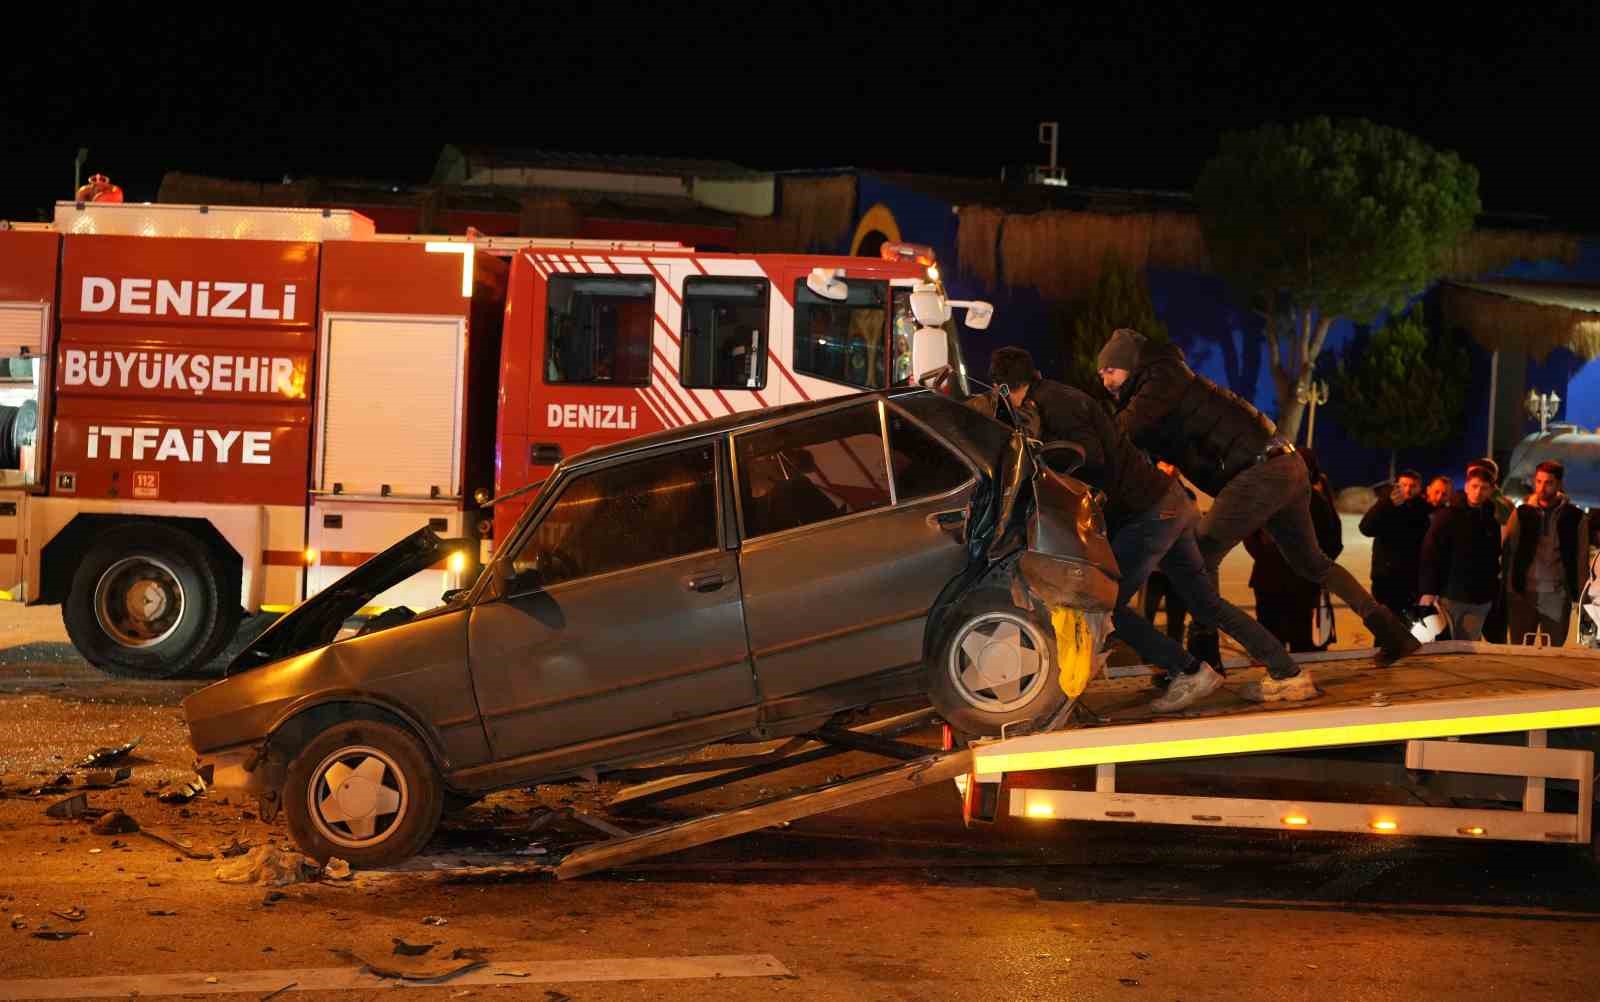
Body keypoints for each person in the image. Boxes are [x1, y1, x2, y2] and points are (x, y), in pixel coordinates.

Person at [1097, 328, 1420, 690]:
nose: (1105, 380)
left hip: (1259, 470)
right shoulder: (1158, 383)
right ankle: (1391, 631)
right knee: (1312, 563)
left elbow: (1119, 433)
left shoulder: (1161, 379)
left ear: (1129, 364)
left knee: (1198, 554)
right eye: (1101, 374)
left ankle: (1205, 657)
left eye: (1110, 370)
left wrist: (1084, 433)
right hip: (1283, 464)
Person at [988, 347, 1309, 707]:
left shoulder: (1055, 405)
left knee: (1105, 605)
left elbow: (1089, 458)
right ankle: (1288, 674)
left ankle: (1188, 671)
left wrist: (1045, 457)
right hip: (1166, 503)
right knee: (1206, 604)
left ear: (1006, 387)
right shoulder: (1056, 398)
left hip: (1149, 513)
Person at [1243, 448, 1342, 652]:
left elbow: (1249, 534)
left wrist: (1265, 556)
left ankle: (1280, 677)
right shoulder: (1315, 502)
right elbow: (1333, 544)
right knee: (1300, 644)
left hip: (1277, 580)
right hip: (1292, 581)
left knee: (1275, 642)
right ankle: (1294, 679)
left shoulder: (1273, 496)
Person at [1506, 461, 1590, 646]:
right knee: (1520, 650)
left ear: (1559, 484)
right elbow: (1509, 551)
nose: (1542, 487)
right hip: (1523, 593)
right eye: (1538, 481)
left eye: (1548, 482)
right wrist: (1510, 588)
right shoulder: (1522, 513)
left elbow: (1581, 557)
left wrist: (1581, 595)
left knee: (1553, 653)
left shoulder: (1575, 517)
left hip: (1556, 596)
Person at [1418, 462, 1504, 641]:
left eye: (1483, 488)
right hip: (1450, 596)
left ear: (1490, 491)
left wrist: (1491, 591)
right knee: (1444, 647)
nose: (1478, 492)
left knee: (1468, 649)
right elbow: (1430, 554)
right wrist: (1428, 591)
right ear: (1466, 487)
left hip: (1480, 600)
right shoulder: (1447, 516)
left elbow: (1494, 556)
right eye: (1474, 486)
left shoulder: (1491, 521)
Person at [1359, 469, 1434, 618]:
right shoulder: (1386, 505)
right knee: (1385, 625)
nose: (1408, 489)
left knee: (1408, 627)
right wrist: (1386, 505)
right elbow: (1366, 528)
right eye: (1404, 485)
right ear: (1397, 486)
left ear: (1420, 488)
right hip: (1385, 579)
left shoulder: (1424, 510)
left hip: (1412, 581)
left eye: (1413, 485)